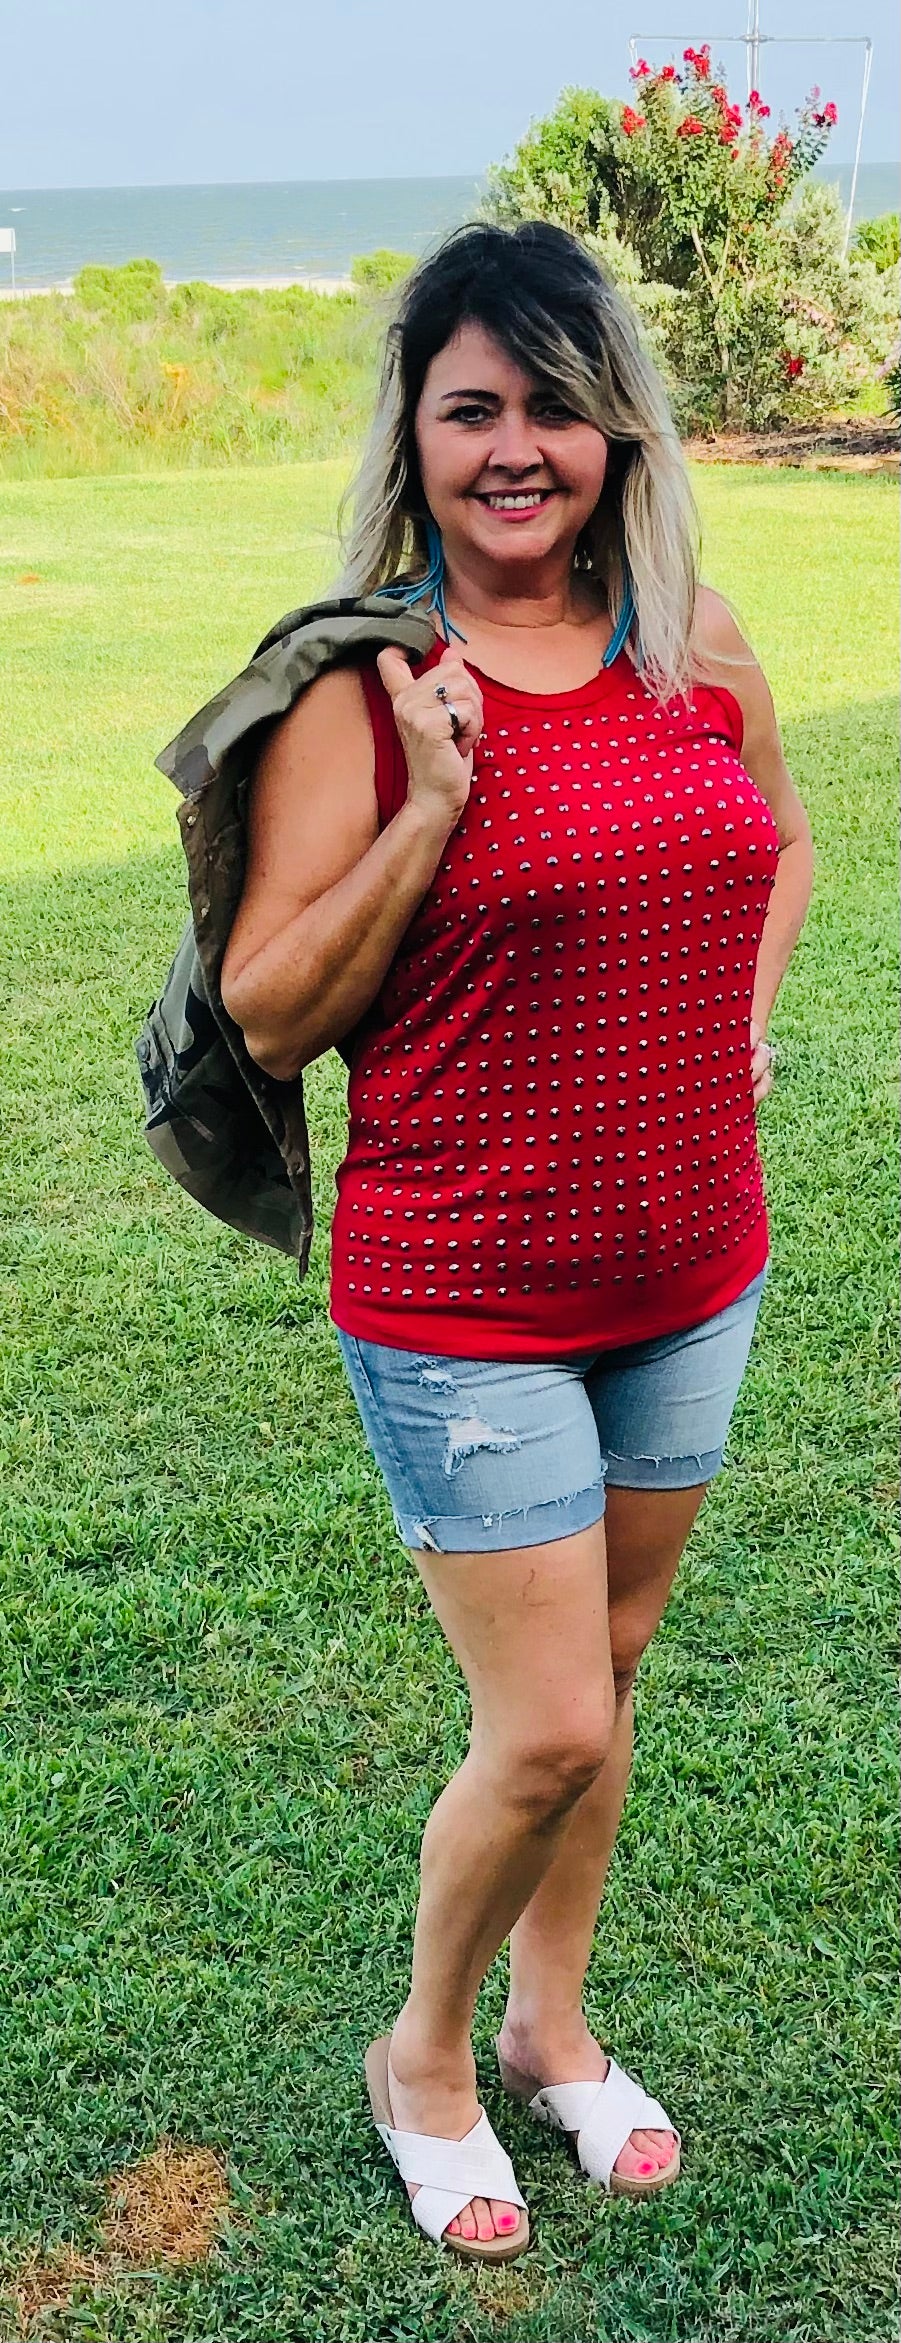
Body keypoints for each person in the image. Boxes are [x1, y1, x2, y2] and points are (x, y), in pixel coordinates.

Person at [220, 220, 814, 2264]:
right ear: (415, 429)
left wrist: (738, 1015)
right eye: (473, 404)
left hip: (686, 1264)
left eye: (552, 403)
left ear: (615, 429)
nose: (514, 445)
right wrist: (428, 810)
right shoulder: (367, 689)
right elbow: (270, 1012)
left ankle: (559, 2027)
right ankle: (427, 2054)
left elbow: (780, 834)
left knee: (618, 1672)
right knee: (548, 1720)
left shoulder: (692, 642)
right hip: (463, 1286)